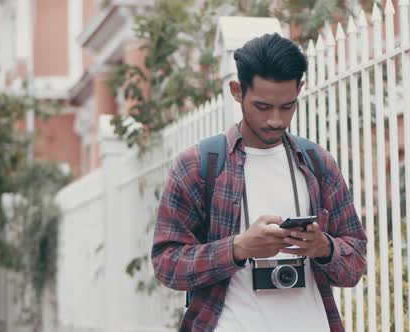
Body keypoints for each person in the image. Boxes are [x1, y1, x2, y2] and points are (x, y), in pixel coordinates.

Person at [151, 33, 367, 332]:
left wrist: (324, 247)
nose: (276, 120)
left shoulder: (317, 163)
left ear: (299, 90)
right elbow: (167, 265)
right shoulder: (199, 166)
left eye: (287, 106)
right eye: (263, 107)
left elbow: (355, 262)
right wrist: (239, 249)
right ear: (237, 91)